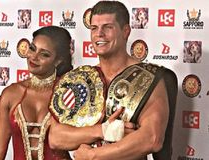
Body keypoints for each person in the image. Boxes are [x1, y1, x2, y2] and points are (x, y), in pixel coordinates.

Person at [49, 1, 178, 160]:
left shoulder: (149, 78)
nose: (99, 34)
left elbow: (152, 138)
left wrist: (93, 155)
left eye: (107, 27)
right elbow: (55, 137)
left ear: (125, 31)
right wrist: (104, 131)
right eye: (94, 28)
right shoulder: (82, 79)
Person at [0, 26, 73, 160]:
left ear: (58, 61)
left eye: (44, 54)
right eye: (32, 48)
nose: (34, 57)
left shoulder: (67, 94)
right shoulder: (11, 94)